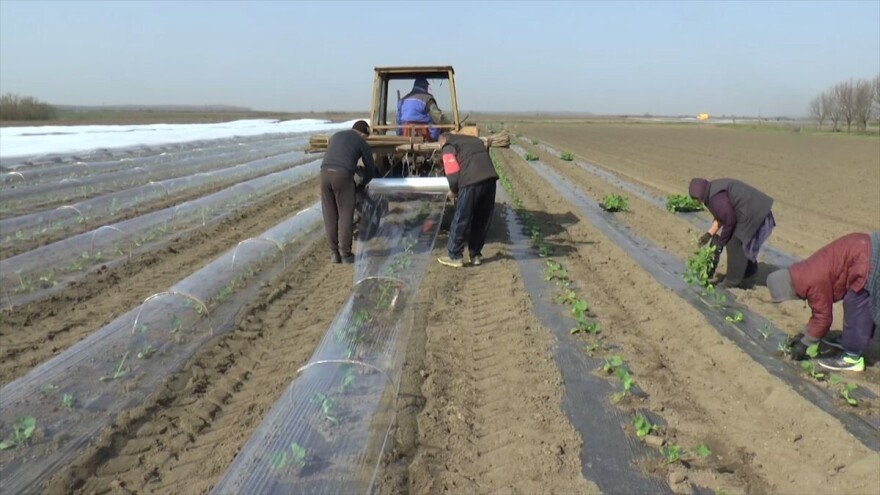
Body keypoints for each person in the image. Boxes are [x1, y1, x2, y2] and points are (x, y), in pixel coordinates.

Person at [766, 232, 879, 372]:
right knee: (862, 298)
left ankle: (852, 357)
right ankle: (851, 338)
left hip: (866, 259)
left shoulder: (812, 282)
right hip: (864, 246)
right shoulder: (802, 272)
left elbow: (823, 318)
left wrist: (805, 344)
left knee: (856, 302)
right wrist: (805, 334)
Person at [688, 177, 776, 288]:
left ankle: (732, 280)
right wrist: (709, 234)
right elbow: (721, 215)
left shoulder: (715, 199)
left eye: (696, 199)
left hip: (753, 211)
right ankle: (749, 270)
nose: (697, 202)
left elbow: (729, 220)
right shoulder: (712, 191)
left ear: (699, 196)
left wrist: (722, 242)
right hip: (753, 208)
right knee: (737, 240)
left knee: (734, 242)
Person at [436, 133, 499, 268]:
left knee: (461, 218)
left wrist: (453, 190)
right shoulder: (475, 140)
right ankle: (475, 255)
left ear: (442, 141)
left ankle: (455, 256)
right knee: (481, 219)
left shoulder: (448, 146)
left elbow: (452, 174)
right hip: (490, 180)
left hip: (470, 182)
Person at [320, 120, 375, 264]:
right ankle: (346, 254)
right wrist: (362, 184)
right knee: (345, 214)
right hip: (342, 176)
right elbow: (370, 169)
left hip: (324, 174)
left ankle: (334, 253)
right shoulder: (362, 142)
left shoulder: (336, 135)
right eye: (366, 136)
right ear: (364, 133)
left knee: (330, 215)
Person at [396, 78, 444, 142]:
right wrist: (448, 123)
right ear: (425, 86)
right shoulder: (427, 99)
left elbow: (398, 119)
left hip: (406, 135)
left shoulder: (402, 100)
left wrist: (399, 135)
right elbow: (438, 117)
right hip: (425, 135)